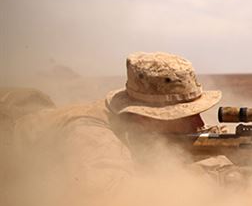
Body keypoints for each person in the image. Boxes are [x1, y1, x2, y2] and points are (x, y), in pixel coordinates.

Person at [8, 52, 233, 192]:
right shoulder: (89, 131)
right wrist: (212, 174)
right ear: (145, 116)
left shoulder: (135, 128)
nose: (198, 122)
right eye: (184, 114)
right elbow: (115, 199)